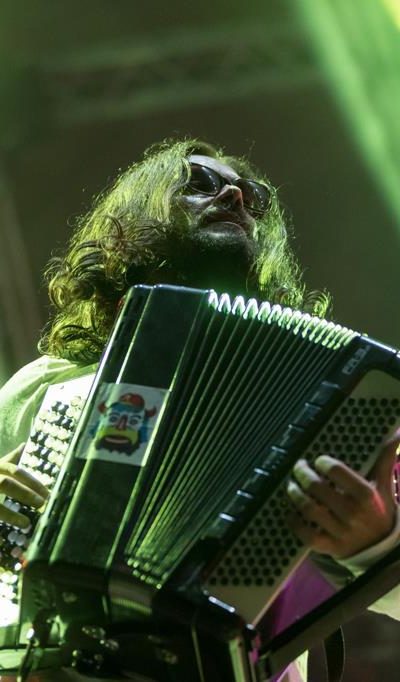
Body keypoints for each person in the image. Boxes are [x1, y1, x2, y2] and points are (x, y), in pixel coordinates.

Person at [0, 138, 399, 681]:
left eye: (252, 197)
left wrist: (378, 543)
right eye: (200, 183)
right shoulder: (49, 385)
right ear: (137, 216)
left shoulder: (320, 403)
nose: (235, 197)